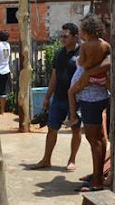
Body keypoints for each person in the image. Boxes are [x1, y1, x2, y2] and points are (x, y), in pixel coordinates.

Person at [68, 14, 111, 192]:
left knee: (94, 141)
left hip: (90, 98)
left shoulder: (86, 46)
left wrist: (83, 68)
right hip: (96, 94)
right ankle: (97, 175)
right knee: (99, 139)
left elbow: (84, 65)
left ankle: (97, 183)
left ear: (86, 30)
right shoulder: (105, 45)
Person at [30, 23, 81, 171]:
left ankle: (72, 160)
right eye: (62, 36)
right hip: (59, 98)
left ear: (75, 36)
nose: (63, 39)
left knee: (76, 129)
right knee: (52, 128)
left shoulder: (82, 53)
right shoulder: (59, 54)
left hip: (76, 99)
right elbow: (54, 77)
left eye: (66, 36)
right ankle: (46, 159)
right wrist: (47, 97)